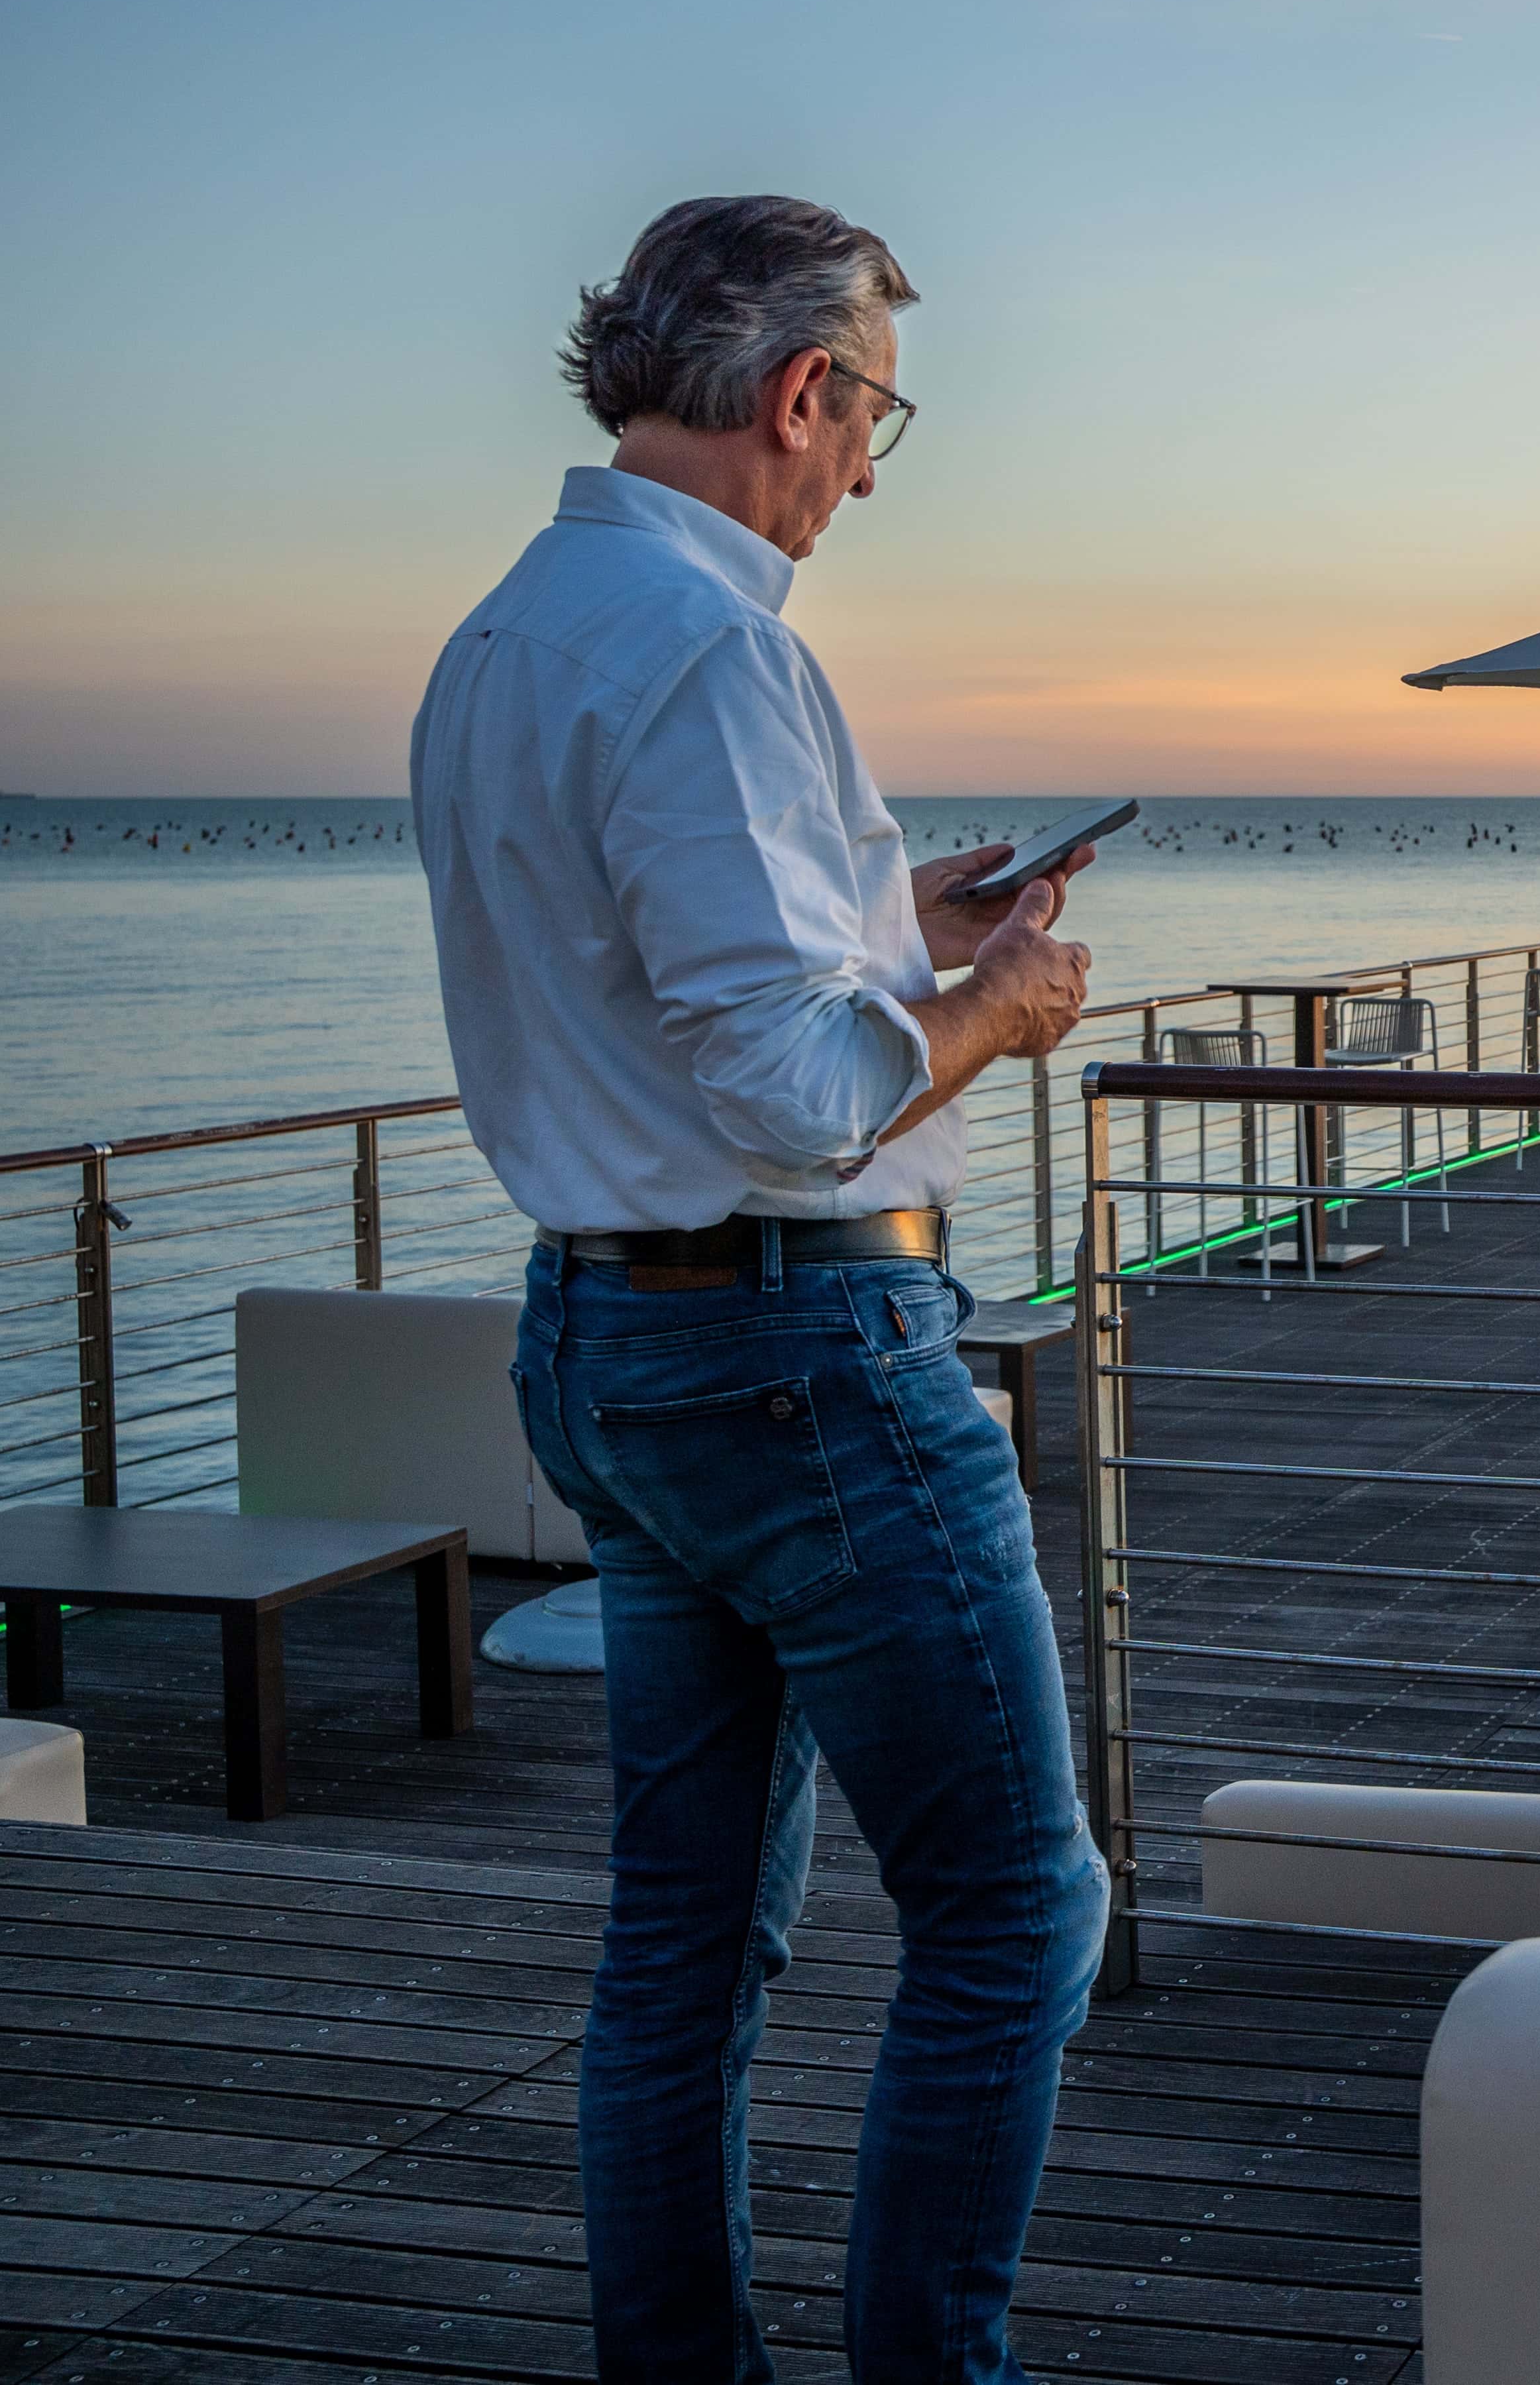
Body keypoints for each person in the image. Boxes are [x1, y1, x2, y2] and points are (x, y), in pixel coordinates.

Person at [411, 194, 1103, 2384]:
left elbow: (642, 965)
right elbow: (796, 1092)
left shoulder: (512, 630)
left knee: (683, 1940)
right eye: (876, 415)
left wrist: (888, 900)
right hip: (799, 1355)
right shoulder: (724, 649)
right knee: (1015, 1910)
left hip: (609, 1343)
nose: (873, 472)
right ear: (805, 393)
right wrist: (999, 1002)